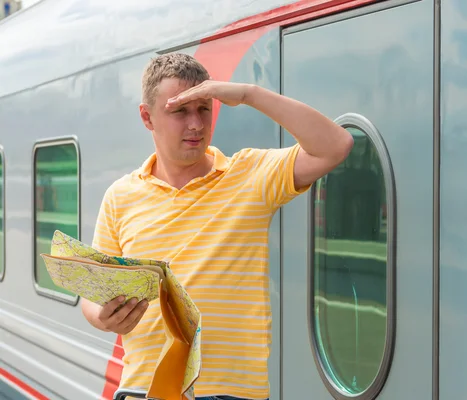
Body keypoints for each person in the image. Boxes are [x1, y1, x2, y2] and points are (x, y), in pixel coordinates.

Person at [80, 53, 353, 400]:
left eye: (203, 109)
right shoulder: (120, 196)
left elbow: (336, 146)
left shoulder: (250, 174)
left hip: (233, 393)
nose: (195, 124)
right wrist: (104, 318)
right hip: (143, 391)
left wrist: (250, 94)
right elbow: (91, 294)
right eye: (180, 111)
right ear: (147, 117)